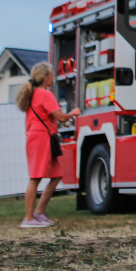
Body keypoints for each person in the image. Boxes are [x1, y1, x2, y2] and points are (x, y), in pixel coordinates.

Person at [15, 62, 80, 229]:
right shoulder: (45, 94)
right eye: (51, 74)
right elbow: (61, 117)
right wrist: (74, 113)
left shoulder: (34, 94)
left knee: (56, 174)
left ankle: (39, 213)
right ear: (45, 77)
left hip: (41, 137)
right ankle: (29, 218)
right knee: (35, 178)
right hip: (41, 138)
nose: (53, 77)